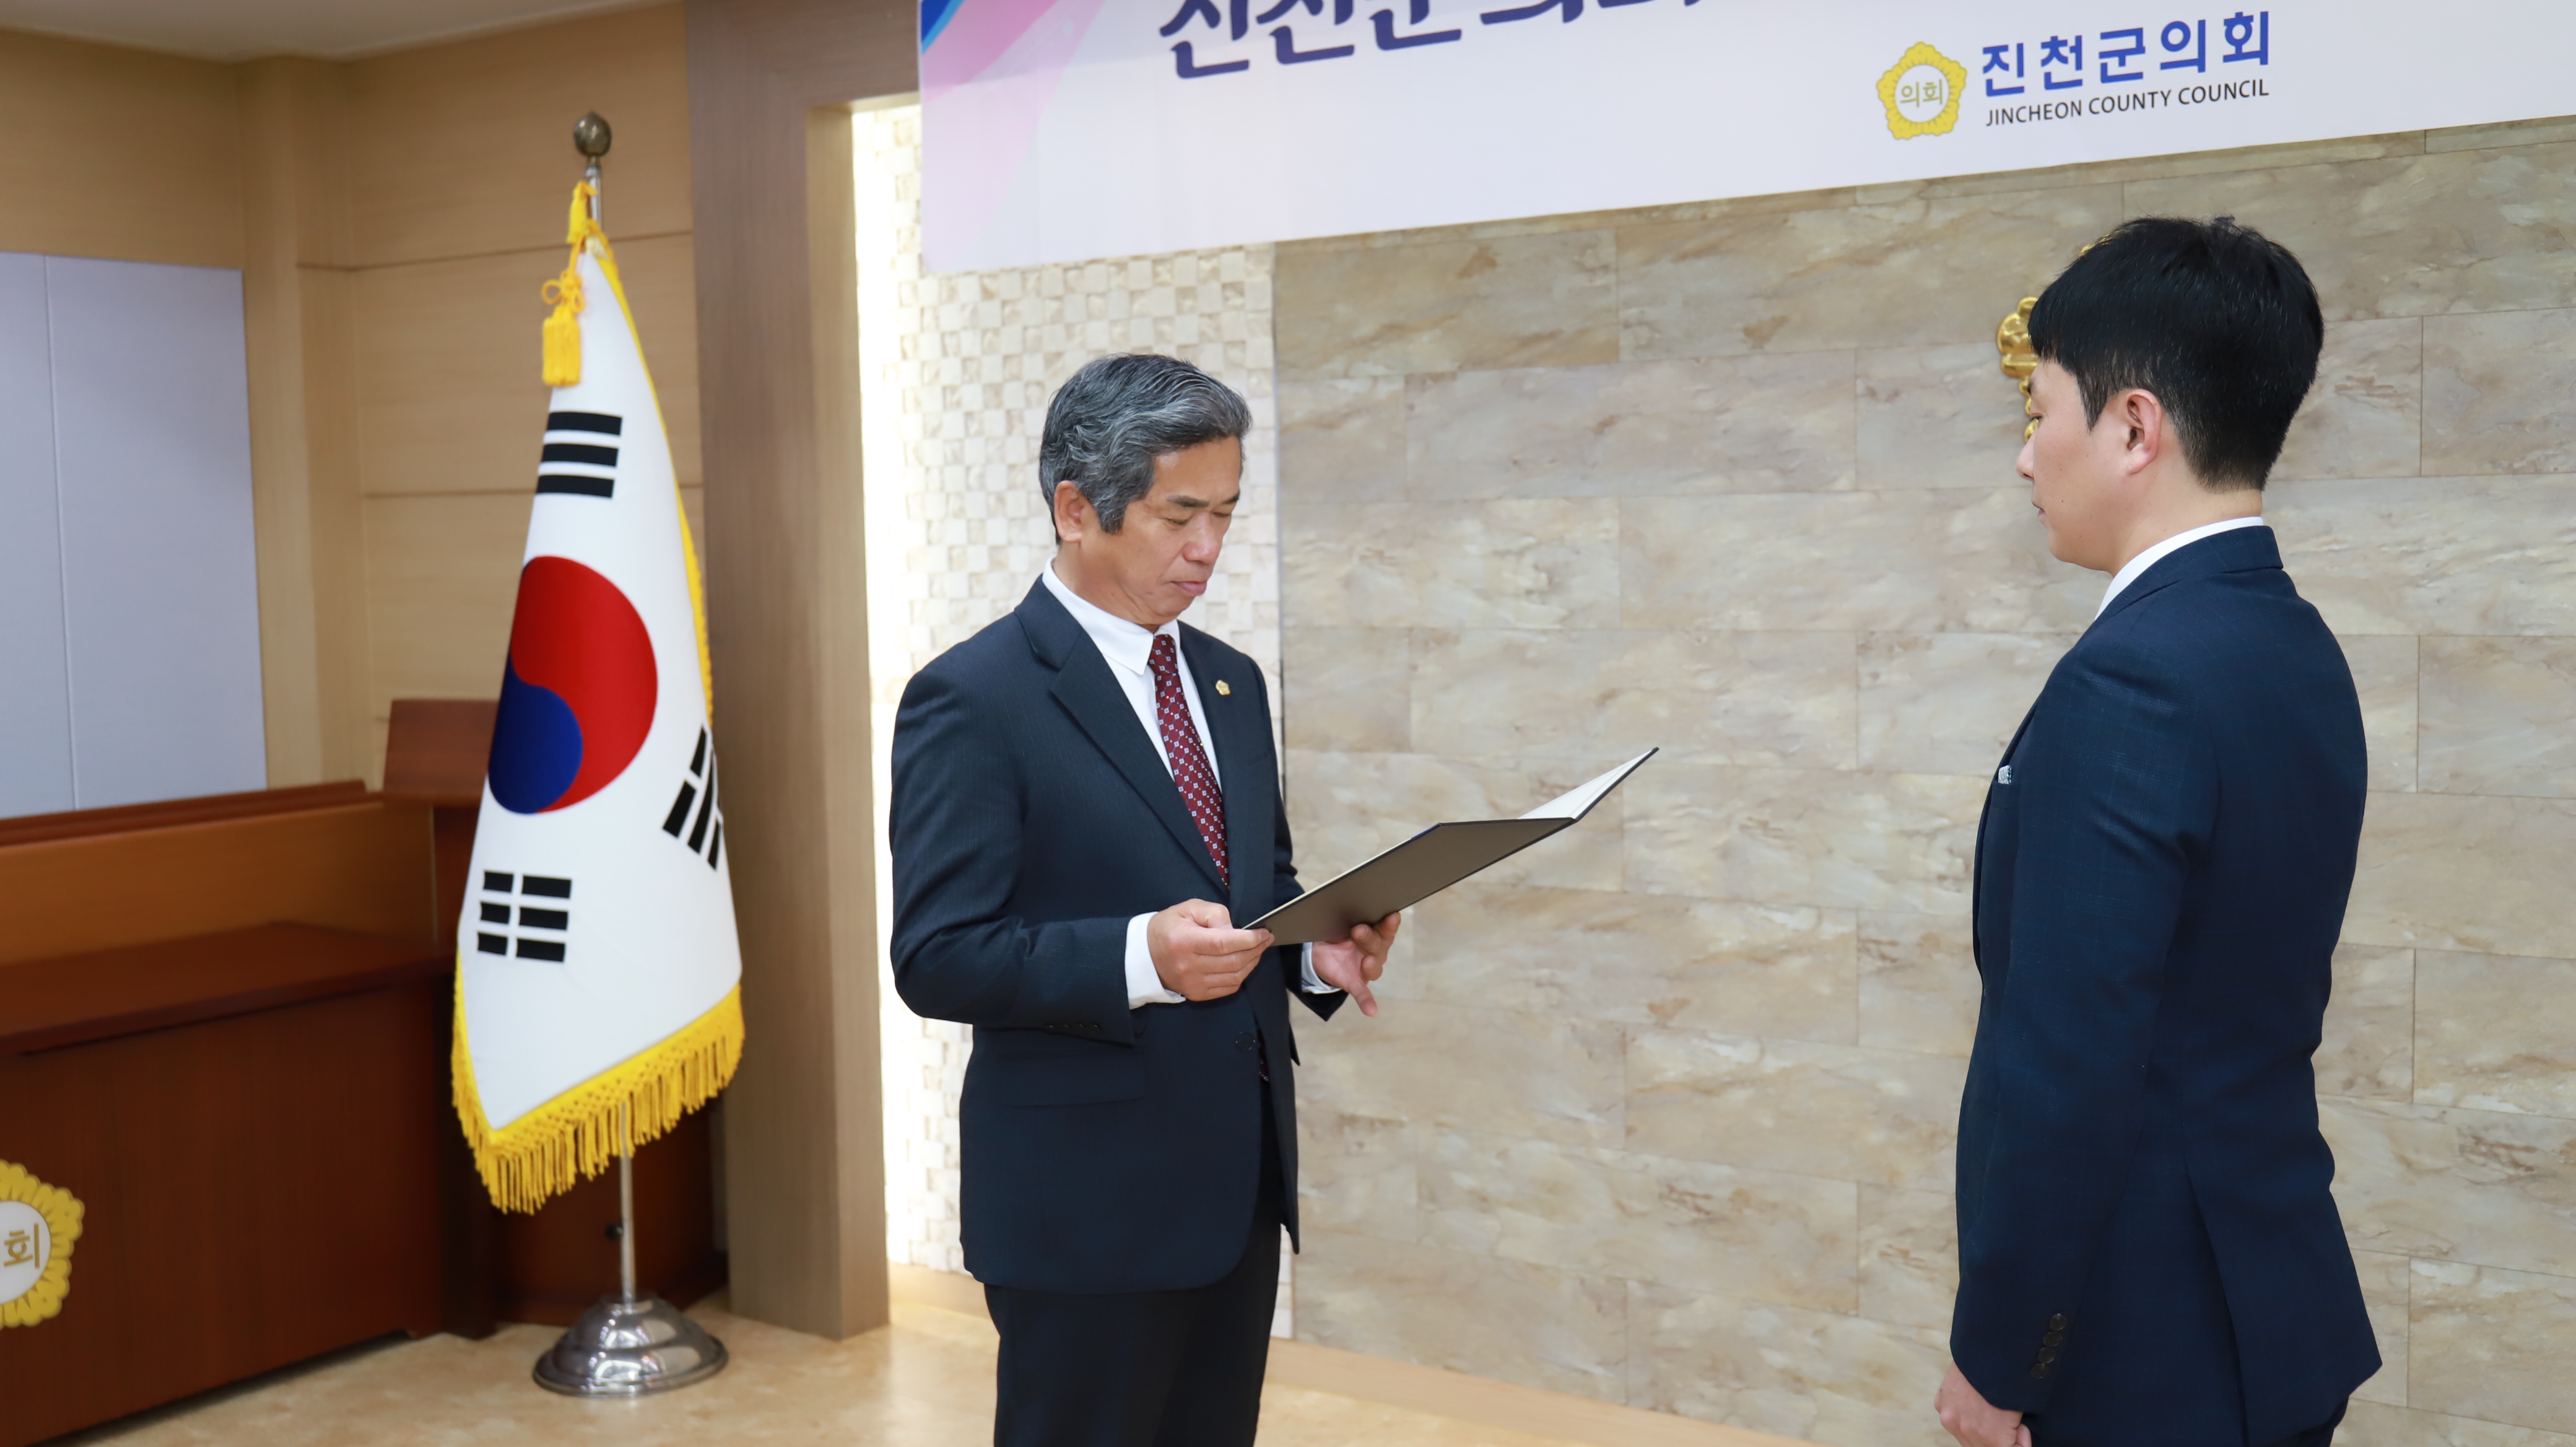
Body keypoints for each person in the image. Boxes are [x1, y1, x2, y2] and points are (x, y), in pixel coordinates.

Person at [889, 352, 1399, 1447]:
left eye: (1226, 513)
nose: (1208, 548)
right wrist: (1139, 958)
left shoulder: (1230, 680)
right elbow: (937, 954)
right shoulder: (972, 698)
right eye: (1180, 517)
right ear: (1078, 510)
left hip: (1235, 1188)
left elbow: (1256, 887)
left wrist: (1314, 952)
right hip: (1085, 1207)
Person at [1936, 217, 2380, 1447]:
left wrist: (2001, 1353)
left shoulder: (2133, 677)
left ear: (2134, 428)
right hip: (2269, 1305)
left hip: (2146, 1348)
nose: (2026, 457)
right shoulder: (2292, 642)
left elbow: (2070, 1062)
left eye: (2039, 412)